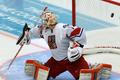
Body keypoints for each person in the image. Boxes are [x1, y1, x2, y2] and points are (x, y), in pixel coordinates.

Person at [21, 9, 89, 80]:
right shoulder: (43, 30)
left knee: (85, 77)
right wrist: (26, 34)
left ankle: (91, 67)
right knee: (42, 75)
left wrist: (79, 46)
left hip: (73, 61)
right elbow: (31, 31)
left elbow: (80, 31)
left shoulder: (62, 27)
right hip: (56, 62)